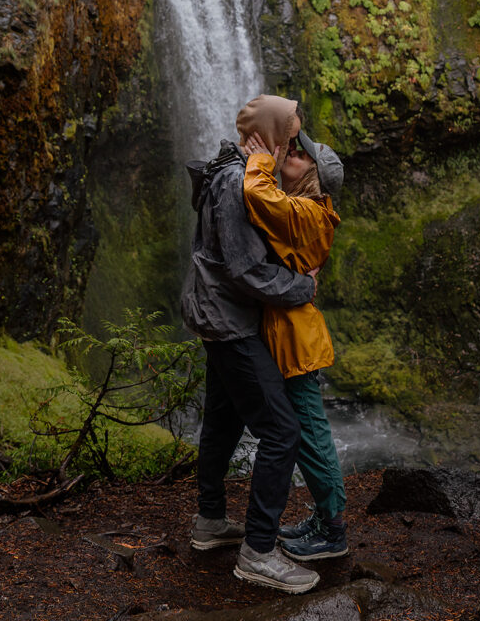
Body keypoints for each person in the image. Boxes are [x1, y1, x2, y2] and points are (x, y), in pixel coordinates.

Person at [181, 94, 320, 595]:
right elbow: (243, 270)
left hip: (216, 315)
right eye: (290, 136)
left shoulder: (235, 170)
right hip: (230, 321)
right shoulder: (235, 183)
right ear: (272, 137)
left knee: (223, 419)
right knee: (282, 431)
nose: (293, 147)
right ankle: (259, 551)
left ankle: (210, 522)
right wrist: (304, 286)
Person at [241, 124, 348, 561]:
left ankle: (333, 528)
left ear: (313, 175)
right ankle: (324, 518)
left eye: (300, 155)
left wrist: (260, 157)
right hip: (288, 333)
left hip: (297, 340)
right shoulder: (304, 208)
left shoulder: (307, 212)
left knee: (310, 435)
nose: (291, 153)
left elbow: (259, 196)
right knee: (304, 431)